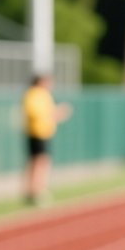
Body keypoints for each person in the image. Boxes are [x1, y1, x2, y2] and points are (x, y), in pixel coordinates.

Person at [23, 74, 71, 205]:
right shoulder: (33, 94)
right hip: (37, 133)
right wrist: (56, 113)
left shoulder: (44, 95)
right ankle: (35, 191)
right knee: (38, 162)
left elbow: (48, 113)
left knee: (41, 162)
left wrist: (57, 114)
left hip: (44, 133)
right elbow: (37, 114)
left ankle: (37, 189)